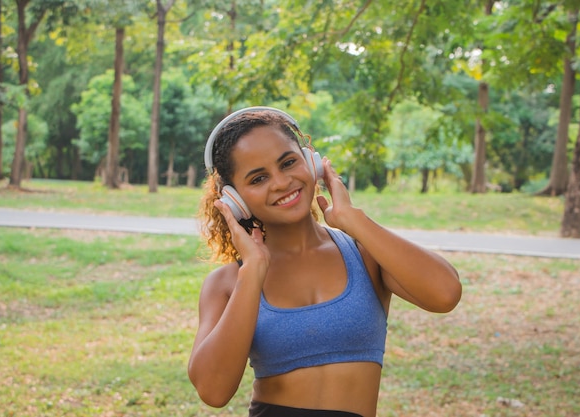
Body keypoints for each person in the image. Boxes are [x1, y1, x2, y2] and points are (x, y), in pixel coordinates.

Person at [188, 107, 461, 417]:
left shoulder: (364, 254)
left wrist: (353, 221)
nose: (281, 182)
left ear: (311, 162)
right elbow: (213, 390)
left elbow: (446, 293)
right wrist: (252, 272)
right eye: (259, 178)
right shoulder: (227, 283)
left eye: (288, 162)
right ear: (235, 200)